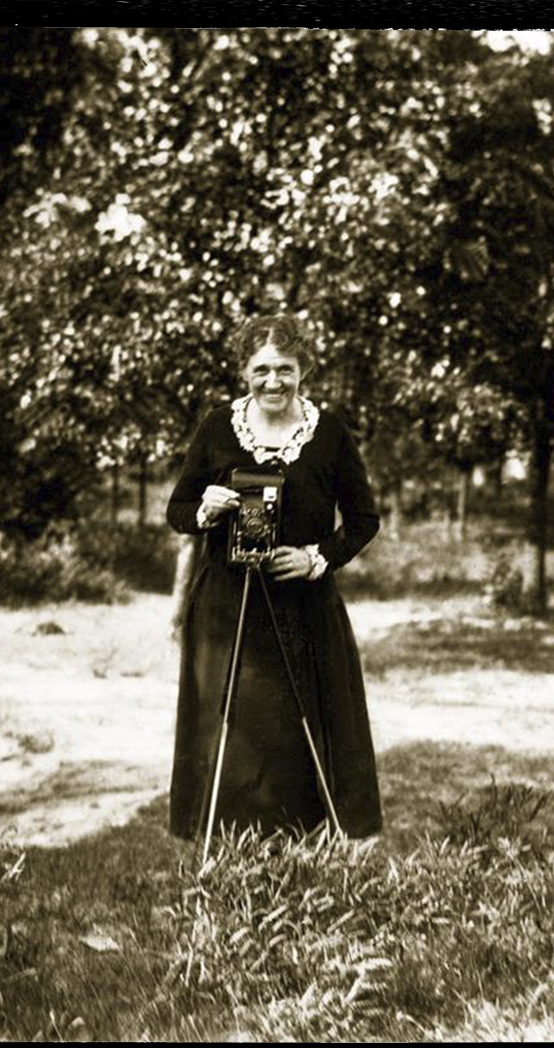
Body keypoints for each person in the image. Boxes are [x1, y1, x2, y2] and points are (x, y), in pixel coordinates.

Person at [166, 314, 383, 842]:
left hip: (303, 610)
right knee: (234, 735)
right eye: (261, 369)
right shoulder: (219, 428)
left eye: (285, 369)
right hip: (226, 607)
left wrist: (316, 558)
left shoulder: (327, 432)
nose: (273, 382)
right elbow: (178, 510)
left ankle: (306, 853)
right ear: (244, 371)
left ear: (302, 369)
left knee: (296, 735)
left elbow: (363, 521)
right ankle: (228, 857)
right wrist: (207, 509)